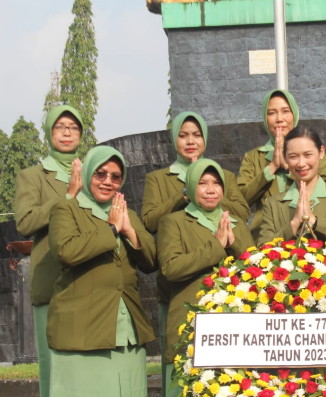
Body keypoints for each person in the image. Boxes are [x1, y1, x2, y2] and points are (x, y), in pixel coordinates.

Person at [141, 110, 249, 394]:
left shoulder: (227, 194)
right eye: (183, 135)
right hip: (186, 307)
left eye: (196, 134)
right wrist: (185, 192)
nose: (190, 141)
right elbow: (154, 229)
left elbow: (251, 257)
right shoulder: (169, 209)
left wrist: (229, 235)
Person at [47, 146, 156, 397]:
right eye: (100, 174)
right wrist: (111, 230)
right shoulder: (66, 209)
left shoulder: (126, 213)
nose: (108, 181)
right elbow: (67, 251)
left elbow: (151, 261)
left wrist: (129, 231)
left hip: (127, 331)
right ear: (86, 175)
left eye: (115, 176)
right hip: (83, 331)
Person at [157, 159, 254, 397]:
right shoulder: (173, 222)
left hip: (231, 328)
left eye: (216, 183)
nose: (211, 190)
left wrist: (234, 242)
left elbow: (254, 269)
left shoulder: (237, 223)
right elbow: (171, 267)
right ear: (190, 187)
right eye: (202, 183)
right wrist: (216, 246)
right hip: (188, 326)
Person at [14, 104, 84, 397]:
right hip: (51, 279)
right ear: (49, 132)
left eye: (73, 127)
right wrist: (67, 196)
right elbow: (25, 221)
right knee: (54, 368)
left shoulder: (94, 171)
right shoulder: (33, 176)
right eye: (60, 127)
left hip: (88, 281)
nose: (67, 133)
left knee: (85, 367)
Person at [238, 89, 326, 239]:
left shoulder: (312, 152)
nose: (279, 119)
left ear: (294, 115)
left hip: (309, 236)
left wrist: (291, 167)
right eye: (271, 113)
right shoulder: (253, 157)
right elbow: (241, 199)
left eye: (285, 111)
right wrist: (272, 167)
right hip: (267, 238)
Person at [258, 126, 326, 252]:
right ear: (285, 158)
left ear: (321, 152)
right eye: (293, 156)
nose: (301, 163)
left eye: (307, 155)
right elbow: (262, 249)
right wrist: (293, 225)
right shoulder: (273, 204)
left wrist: (315, 222)